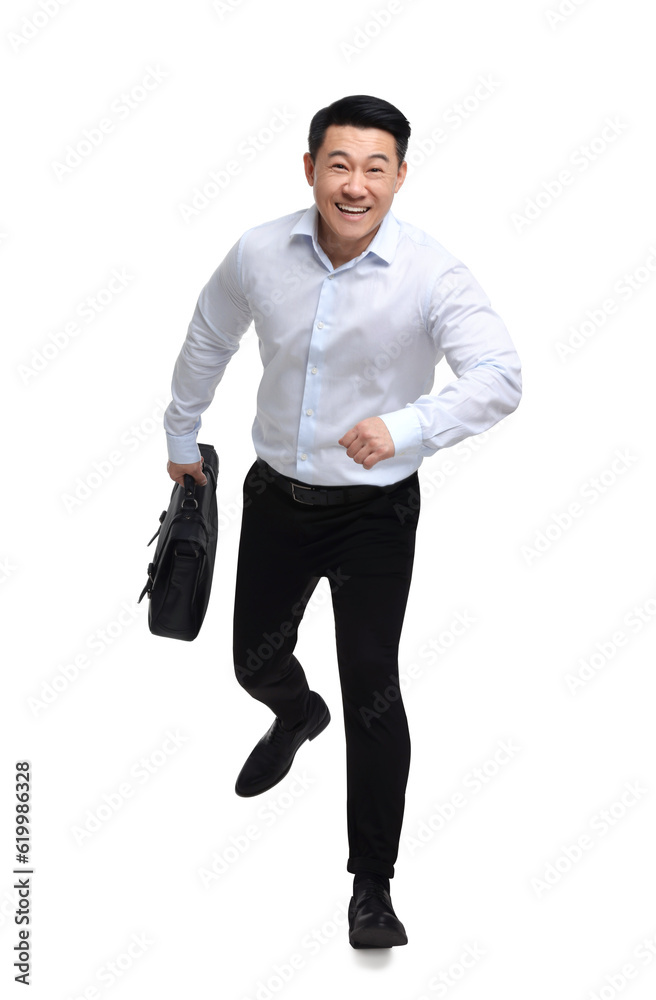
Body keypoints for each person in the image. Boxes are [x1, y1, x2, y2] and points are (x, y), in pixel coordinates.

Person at [163, 95, 521, 949]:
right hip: (277, 497)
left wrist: (405, 428)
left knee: (373, 685)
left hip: (376, 513)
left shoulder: (434, 274)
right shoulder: (259, 252)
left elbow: (500, 376)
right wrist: (183, 435)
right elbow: (209, 337)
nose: (354, 184)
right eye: (338, 164)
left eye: (374, 167)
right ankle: (294, 713)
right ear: (310, 168)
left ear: (399, 175)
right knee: (253, 660)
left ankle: (372, 885)